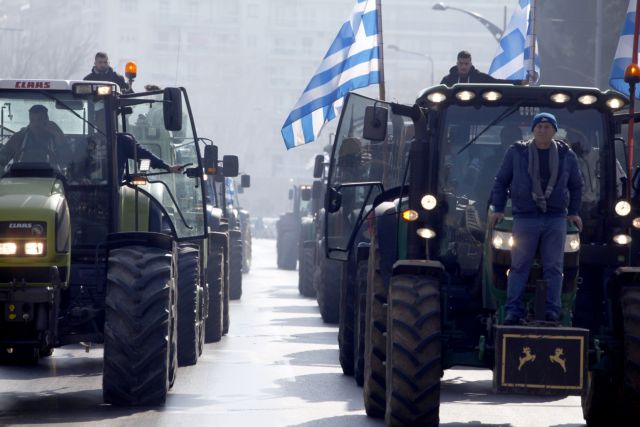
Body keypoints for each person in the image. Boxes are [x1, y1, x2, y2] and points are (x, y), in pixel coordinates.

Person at [490, 112, 583, 325]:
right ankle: (513, 311)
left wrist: (574, 212)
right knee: (519, 266)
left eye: (547, 127)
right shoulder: (517, 152)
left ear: (554, 131)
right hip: (525, 217)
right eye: (539, 127)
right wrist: (499, 209)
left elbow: (577, 185)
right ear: (533, 130)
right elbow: (501, 181)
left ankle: (553, 310)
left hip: (555, 217)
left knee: (554, 267)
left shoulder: (566, 155)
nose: (542, 130)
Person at [0, 104, 64, 169]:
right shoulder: (19, 137)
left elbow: (66, 163)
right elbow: (2, 159)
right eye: (32, 120)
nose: (36, 124)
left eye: (39, 120)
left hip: (51, 174)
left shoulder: (56, 137)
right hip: (21, 174)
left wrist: (58, 136)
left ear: (47, 121)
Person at [440, 51, 524, 86]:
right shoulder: (447, 80)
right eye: (461, 64)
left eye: (466, 64)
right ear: (457, 64)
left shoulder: (480, 78)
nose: (463, 67)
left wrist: (520, 82)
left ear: (470, 64)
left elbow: (498, 83)